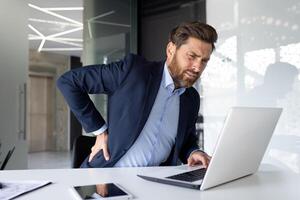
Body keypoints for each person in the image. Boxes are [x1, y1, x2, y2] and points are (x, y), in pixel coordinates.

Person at [57, 21, 218, 168]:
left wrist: (194, 152)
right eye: (192, 57)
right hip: (107, 177)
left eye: (204, 61)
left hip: (156, 183)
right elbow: (69, 82)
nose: (198, 67)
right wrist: (99, 130)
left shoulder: (191, 98)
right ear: (171, 50)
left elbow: (186, 140)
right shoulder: (132, 72)